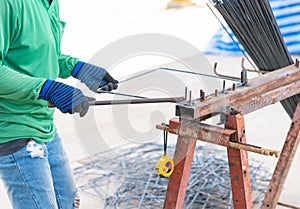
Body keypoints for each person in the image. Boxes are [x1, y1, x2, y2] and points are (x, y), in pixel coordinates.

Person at [0, 0, 118, 208]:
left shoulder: (49, 3)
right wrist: (47, 89)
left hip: (43, 125)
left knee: (69, 203)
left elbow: (39, 53)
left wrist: (77, 68)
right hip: (13, 129)